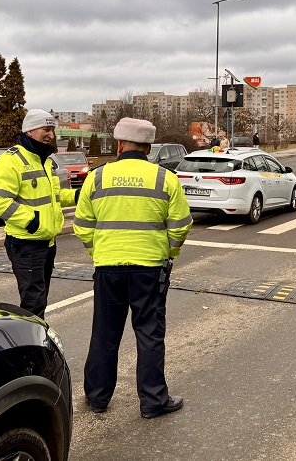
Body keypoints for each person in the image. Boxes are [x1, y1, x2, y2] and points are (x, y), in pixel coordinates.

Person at [74, 117, 192, 419]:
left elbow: (82, 225)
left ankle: (98, 397)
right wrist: (169, 253)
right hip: (149, 269)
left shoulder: (97, 177)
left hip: (108, 267)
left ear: (119, 145)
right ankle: (153, 402)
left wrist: (97, 252)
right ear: (148, 147)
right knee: (150, 334)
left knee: (104, 333)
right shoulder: (165, 178)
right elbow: (180, 225)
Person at [0, 109, 77, 319]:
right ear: (29, 131)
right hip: (26, 243)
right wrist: (32, 221)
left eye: (53, 130)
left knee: (39, 299)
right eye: (46, 129)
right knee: (33, 303)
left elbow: (54, 196)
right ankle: (31, 347)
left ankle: (35, 341)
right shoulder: (11, 160)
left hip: (46, 241)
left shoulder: (45, 160)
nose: (51, 135)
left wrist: (77, 196)